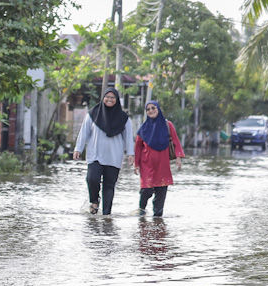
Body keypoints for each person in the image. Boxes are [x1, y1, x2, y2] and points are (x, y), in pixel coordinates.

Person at [72, 87, 134, 215]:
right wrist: (78, 148)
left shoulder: (124, 118)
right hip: (95, 154)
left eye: (113, 97)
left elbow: (128, 137)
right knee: (92, 179)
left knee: (109, 186)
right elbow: (84, 132)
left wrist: (131, 154)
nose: (109, 99)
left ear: (117, 100)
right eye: (107, 97)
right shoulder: (93, 114)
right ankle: (94, 201)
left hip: (114, 156)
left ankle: (107, 215)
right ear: (103, 98)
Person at [133, 100, 184, 217]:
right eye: (148, 109)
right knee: (146, 190)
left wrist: (178, 157)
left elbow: (175, 141)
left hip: (163, 165)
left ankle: (158, 218)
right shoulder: (143, 128)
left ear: (158, 109)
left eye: (153, 108)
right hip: (146, 165)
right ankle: (142, 209)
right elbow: (138, 147)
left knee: (161, 191)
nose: (151, 111)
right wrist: (136, 164)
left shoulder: (168, 125)